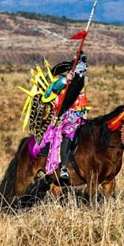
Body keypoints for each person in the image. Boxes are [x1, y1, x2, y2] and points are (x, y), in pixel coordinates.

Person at [45, 53, 89, 182]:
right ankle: (63, 167)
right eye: (79, 71)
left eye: (83, 71)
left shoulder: (80, 87)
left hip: (77, 116)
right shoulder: (63, 81)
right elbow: (52, 90)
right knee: (70, 132)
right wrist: (65, 80)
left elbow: (83, 102)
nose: (81, 74)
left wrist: (85, 116)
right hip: (61, 116)